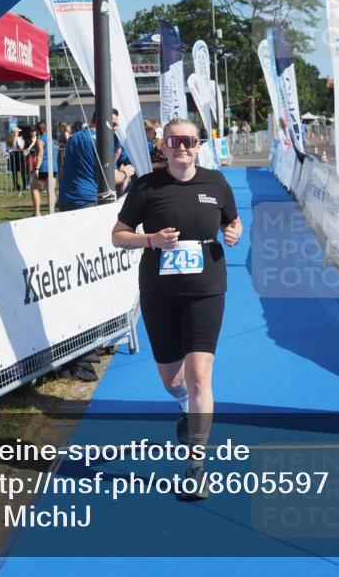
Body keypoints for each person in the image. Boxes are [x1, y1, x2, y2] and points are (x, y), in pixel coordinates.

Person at [112, 118, 242, 501]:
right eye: (174, 141)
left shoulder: (215, 183)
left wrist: (235, 232)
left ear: (198, 145)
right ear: (163, 147)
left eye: (189, 140)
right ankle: (184, 406)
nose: (182, 147)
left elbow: (232, 221)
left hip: (206, 290)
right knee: (173, 382)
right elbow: (117, 235)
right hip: (159, 293)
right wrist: (150, 239)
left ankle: (196, 467)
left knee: (201, 376)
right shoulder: (147, 187)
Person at [57, 112, 136, 212]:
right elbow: (113, 178)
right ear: (105, 121)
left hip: (66, 199)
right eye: (114, 124)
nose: (116, 129)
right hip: (88, 200)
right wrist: (127, 171)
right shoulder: (102, 141)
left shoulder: (74, 137)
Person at [31, 121, 56, 216]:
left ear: (38, 130)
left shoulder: (40, 140)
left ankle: (37, 212)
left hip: (44, 166)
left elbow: (40, 154)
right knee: (51, 190)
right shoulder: (51, 139)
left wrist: (37, 168)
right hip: (53, 167)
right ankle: (52, 212)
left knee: (34, 188)